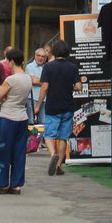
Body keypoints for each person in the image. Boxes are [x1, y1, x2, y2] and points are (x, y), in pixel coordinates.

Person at [0, 48, 31, 194]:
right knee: (19, 151)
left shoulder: (11, 79)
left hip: (7, 117)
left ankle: (2, 183)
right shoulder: (27, 78)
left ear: (11, 61)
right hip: (22, 117)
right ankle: (16, 185)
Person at [35, 39, 82, 176]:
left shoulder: (48, 67)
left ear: (54, 52)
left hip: (52, 106)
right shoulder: (72, 67)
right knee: (63, 137)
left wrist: (38, 105)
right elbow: (79, 87)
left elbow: (44, 87)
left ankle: (53, 155)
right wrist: (69, 85)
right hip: (67, 106)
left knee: (49, 135)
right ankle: (59, 165)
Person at [24, 47, 47, 121]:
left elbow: (38, 81)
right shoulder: (29, 66)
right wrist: (46, 83)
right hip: (32, 99)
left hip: (44, 99)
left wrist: (40, 81)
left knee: (43, 123)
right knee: (31, 122)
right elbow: (34, 81)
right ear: (35, 56)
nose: (40, 58)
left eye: (43, 56)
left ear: (46, 58)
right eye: (38, 55)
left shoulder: (46, 67)